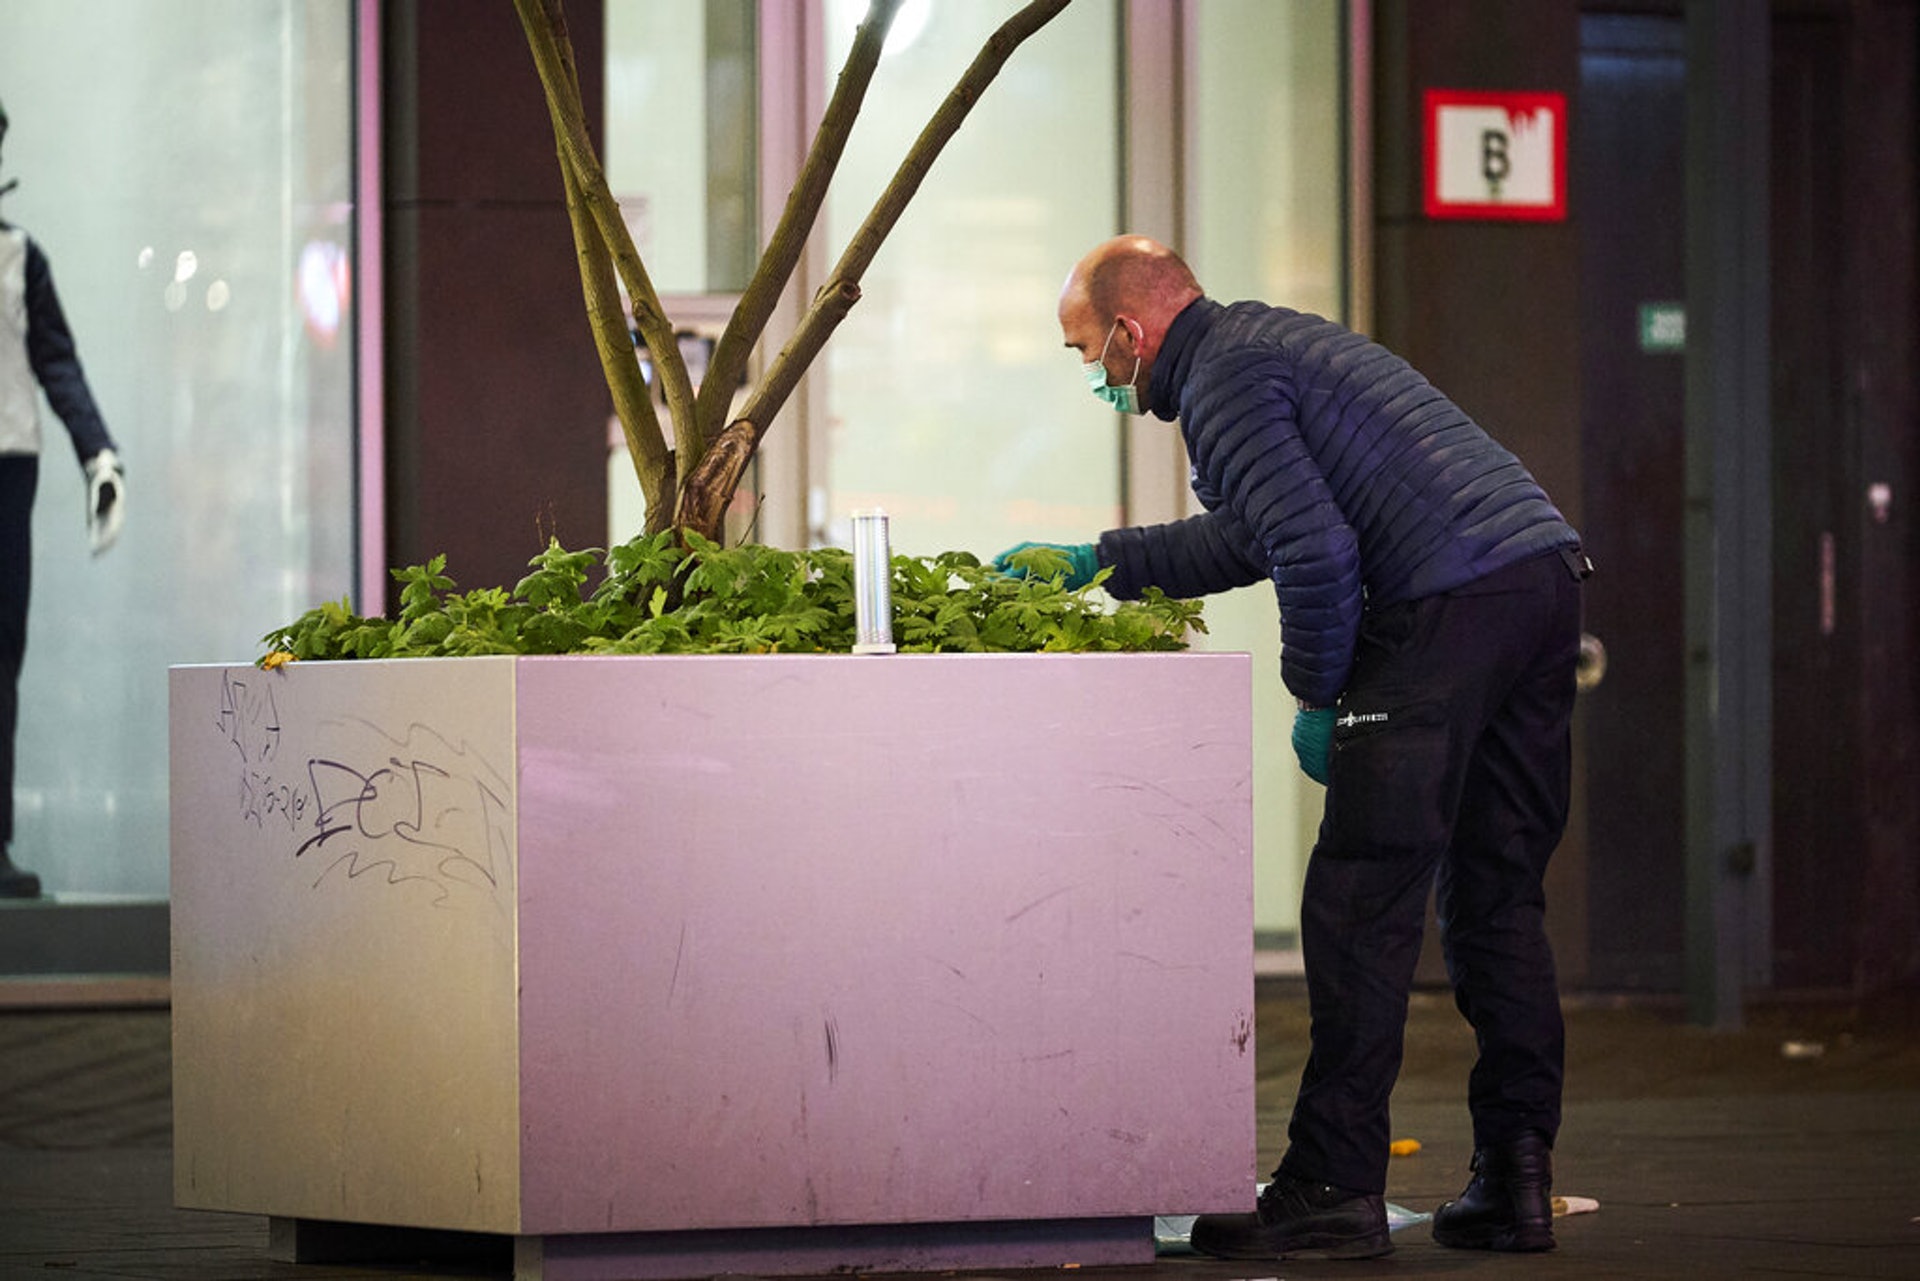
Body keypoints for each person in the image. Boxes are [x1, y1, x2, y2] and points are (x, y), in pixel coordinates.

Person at [997, 235, 1588, 1260]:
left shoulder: (1222, 383)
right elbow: (1261, 533)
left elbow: (1314, 552)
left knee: (1360, 904)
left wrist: (1318, 696)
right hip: (1538, 580)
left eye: (1086, 350)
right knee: (1497, 895)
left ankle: (1331, 1187)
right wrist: (1102, 560)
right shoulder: (1267, 345)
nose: (1093, 373)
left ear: (1131, 332)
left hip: (1441, 604)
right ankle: (1514, 1179)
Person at [0, 96, 125, 899]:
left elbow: (58, 362)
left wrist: (97, 454)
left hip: (7, 466)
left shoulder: (20, 257)